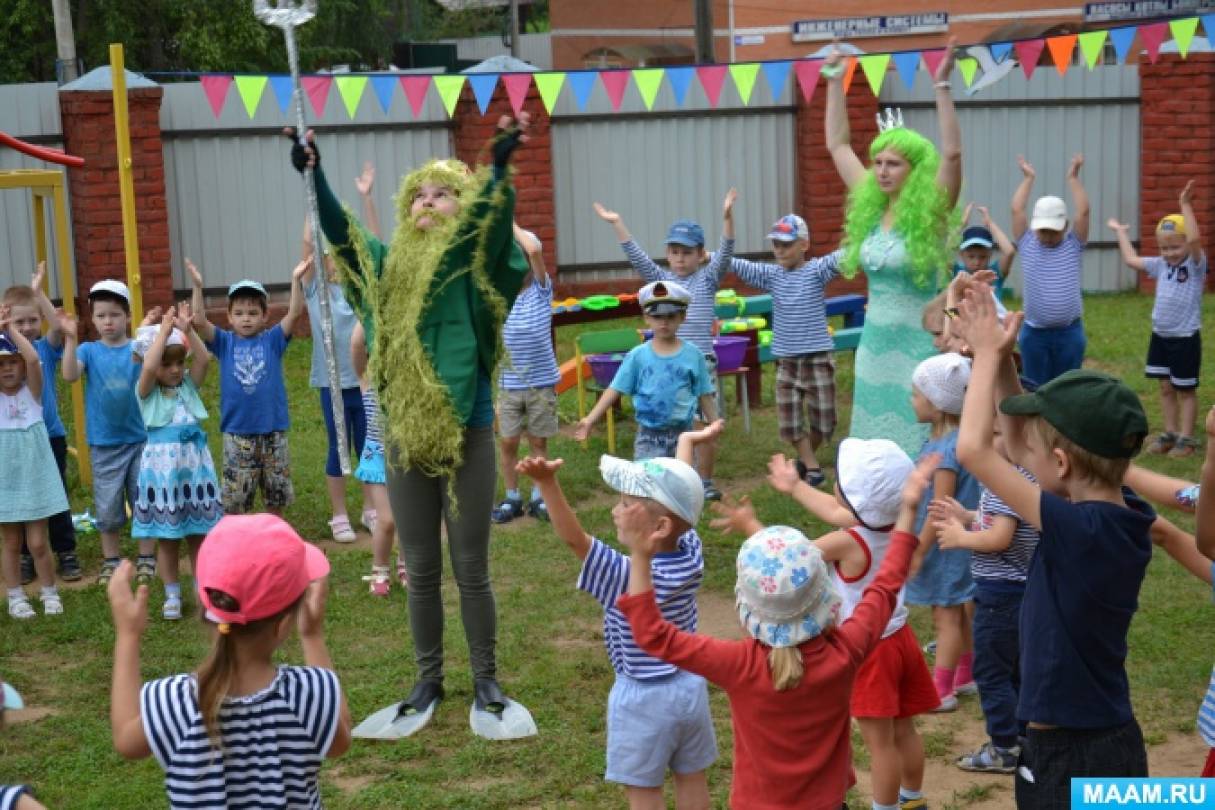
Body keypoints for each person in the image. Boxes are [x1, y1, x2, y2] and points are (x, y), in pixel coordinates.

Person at [288, 115, 533, 732]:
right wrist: (314, 176)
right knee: (420, 568)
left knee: (470, 567)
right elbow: (343, 234)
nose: (429, 200)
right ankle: (428, 679)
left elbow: (493, 233)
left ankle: (486, 678)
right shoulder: (385, 267)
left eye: (444, 191)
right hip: (401, 436)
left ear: (463, 205)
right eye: (420, 193)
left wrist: (499, 171)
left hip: (468, 430)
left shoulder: (473, 271)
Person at [617, 450, 938, 810]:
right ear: (826, 598)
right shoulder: (847, 650)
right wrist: (908, 509)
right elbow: (886, 582)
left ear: (745, 611)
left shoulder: (739, 664)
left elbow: (654, 636)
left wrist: (641, 555)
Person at [952, 284, 1154, 809]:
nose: (1019, 453)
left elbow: (976, 448)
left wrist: (988, 357)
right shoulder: (1118, 515)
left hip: (1069, 754)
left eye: (1038, 453)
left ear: (1061, 466)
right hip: (1108, 740)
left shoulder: (1078, 529)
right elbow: (1019, 443)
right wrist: (997, 362)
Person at [520, 423, 722, 809]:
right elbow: (681, 500)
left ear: (659, 525)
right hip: (689, 687)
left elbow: (574, 539)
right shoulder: (690, 550)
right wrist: (685, 445)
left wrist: (548, 484)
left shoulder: (625, 576)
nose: (616, 508)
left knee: (643, 790)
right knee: (691, 776)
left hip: (642, 698)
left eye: (627, 503)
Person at [107, 514, 352, 807]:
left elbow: (126, 740)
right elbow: (340, 742)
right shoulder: (308, 693)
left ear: (206, 604)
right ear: (283, 624)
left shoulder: (175, 701)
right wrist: (312, 636)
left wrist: (128, 634)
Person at [766, 438, 939, 810]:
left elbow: (790, 563)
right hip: (900, 639)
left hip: (870, 651)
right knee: (904, 729)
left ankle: (886, 808)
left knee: (880, 745)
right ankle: (912, 799)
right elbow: (835, 510)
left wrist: (753, 526)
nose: (834, 488)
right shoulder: (895, 525)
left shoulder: (846, 541)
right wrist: (795, 487)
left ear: (857, 502)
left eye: (842, 485)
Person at [825, 39, 963, 456]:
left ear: (915, 170)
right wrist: (834, 80)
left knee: (920, 440)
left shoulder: (933, 212)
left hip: (920, 346)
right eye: (878, 162)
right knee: (871, 443)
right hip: (874, 347)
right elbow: (837, 145)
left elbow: (953, 154)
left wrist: (941, 85)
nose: (881, 171)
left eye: (893, 163)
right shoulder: (872, 203)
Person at [593, 190, 737, 498]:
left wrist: (727, 219)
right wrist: (617, 223)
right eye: (675, 252)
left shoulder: (708, 278)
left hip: (700, 364)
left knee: (704, 427)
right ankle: (672, 474)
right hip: (663, 364)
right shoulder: (659, 281)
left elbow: (725, 254)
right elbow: (637, 257)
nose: (681, 258)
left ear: (701, 254)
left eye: (687, 252)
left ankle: (705, 481)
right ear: (668, 255)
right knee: (680, 425)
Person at [930, 425, 1039, 773]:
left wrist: (961, 537)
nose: (987, 441)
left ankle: (1004, 748)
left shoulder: (1004, 484)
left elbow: (1000, 538)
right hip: (1024, 591)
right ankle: (1024, 737)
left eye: (995, 432)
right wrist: (969, 517)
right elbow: (1001, 523)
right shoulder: (1024, 479)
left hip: (999, 595)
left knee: (992, 673)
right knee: (1018, 670)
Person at [730, 214, 843, 487]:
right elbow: (742, 266)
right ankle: (813, 467)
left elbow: (843, 256)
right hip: (787, 361)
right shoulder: (772, 275)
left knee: (825, 422)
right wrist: (711, 256)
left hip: (817, 357)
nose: (779, 250)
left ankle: (805, 461)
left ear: (804, 245)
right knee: (789, 421)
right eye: (776, 245)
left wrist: (869, 232)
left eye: (786, 244)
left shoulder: (816, 271)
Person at [189, 258, 304, 517]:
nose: (246, 319)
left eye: (253, 313)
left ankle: (274, 542)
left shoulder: (273, 340)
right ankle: (238, 545)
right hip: (238, 433)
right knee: (235, 502)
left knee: (275, 497)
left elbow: (295, 312)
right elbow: (198, 320)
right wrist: (197, 287)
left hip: (273, 432)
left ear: (265, 317)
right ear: (229, 317)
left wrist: (295, 280)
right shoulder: (224, 342)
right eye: (239, 313)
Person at [130, 308, 222, 621]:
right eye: (166, 364)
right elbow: (150, 365)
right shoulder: (146, 393)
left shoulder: (187, 388)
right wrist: (160, 333)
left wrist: (187, 330)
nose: (174, 370)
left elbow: (205, 360)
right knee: (168, 538)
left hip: (193, 472)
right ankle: (171, 594)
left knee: (199, 534)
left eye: (178, 363)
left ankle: (201, 588)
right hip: (164, 475)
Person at [1108, 179, 1206, 458]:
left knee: (1184, 389)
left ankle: (1187, 439)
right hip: (1160, 335)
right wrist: (1120, 232)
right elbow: (1131, 260)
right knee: (1165, 387)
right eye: (1164, 248)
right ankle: (1170, 432)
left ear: (1186, 244)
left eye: (1175, 247)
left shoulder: (1195, 265)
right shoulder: (1160, 265)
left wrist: (1185, 205)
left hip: (1184, 337)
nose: (1169, 253)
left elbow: (1196, 239)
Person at [61, 280, 150, 584]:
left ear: (127, 316)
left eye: (114, 314)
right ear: (93, 319)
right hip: (104, 444)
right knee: (108, 506)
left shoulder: (137, 348)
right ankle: (111, 559)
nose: (108, 321)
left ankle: (147, 557)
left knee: (144, 500)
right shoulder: (88, 350)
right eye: (100, 316)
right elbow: (70, 375)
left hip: (140, 440)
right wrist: (71, 340)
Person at [906, 352, 979, 713]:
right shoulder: (950, 442)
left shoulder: (945, 451)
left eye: (916, 394)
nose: (912, 400)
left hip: (946, 544)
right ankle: (965, 675)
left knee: (946, 615)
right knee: (957, 611)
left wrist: (917, 550)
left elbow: (941, 505)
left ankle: (942, 688)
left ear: (936, 404)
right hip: (951, 542)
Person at [574, 281, 718, 460]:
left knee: (681, 485)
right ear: (646, 317)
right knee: (649, 485)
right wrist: (590, 420)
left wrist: (714, 422)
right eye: (657, 316)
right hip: (648, 438)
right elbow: (615, 389)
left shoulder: (693, 355)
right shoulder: (637, 356)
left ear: (683, 317)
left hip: (684, 438)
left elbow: (704, 392)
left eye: (671, 316)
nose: (664, 322)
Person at [3, 264, 81, 582]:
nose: (28, 326)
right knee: (21, 498)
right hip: (16, 440)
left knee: (57, 495)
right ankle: (23, 557)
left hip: (50, 436)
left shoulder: (44, 349)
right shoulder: (7, 354)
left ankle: (66, 551)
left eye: (32, 320)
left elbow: (60, 328)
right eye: (19, 321)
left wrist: (39, 295)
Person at [299, 219, 371, 541]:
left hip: (364, 382)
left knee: (369, 447)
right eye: (330, 258)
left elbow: (373, 252)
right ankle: (339, 515)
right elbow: (307, 249)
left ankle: (371, 508)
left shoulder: (362, 293)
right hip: (333, 386)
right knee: (338, 447)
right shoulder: (317, 293)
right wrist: (312, 205)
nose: (336, 265)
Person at [0, 318, 70, 620]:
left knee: (39, 542)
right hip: (6, 481)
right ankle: (15, 596)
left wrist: (9, 330)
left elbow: (33, 358)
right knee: (12, 542)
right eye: (1, 364)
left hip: (35, 476)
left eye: (12, 362)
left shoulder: (34, 394)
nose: (8, 369)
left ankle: (49, 591)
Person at [492, 226, 561, 524]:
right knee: (508, 442)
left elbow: (533, 250)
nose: (520, 266)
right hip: (509, 385)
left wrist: (510, 222)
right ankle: (512, 497)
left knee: (538, 443)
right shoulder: (499, 296)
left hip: (540, 385)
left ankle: (538, 497)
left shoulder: (541, 291)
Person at [1010, 154, 1090, 385]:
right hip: (1035, 333)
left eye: (1053, 231)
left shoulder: (1073, 245)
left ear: (1065, 226)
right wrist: (1028, 178)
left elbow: (1083, 212)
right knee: (1035, 386)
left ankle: (1063, 421)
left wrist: (1073, 178)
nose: (1047, 236)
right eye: (1042, 231)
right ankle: (1037, 422)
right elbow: (1017, 210)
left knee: (1067, 385)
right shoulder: (1027, 243)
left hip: (1069, 332)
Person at [350, 321, 404, 596]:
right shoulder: (367, 379)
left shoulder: (409, 383)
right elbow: (357, 346)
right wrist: (366, 313)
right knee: (387, 520)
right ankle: (380, 569)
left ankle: (406, 564)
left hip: (406, 457)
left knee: (408, 517)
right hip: (377, 459)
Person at [954, 204, 1016, 300]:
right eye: (971, 256)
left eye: (982, 257)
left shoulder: (994, 273)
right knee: (945, 312)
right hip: (958, 315)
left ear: (990, 255)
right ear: (961, 254)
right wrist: (962, 224)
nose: (977, 262)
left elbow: (1010, 252)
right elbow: (941, 252)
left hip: (990, 315)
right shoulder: (957, 272)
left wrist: (990, 224)